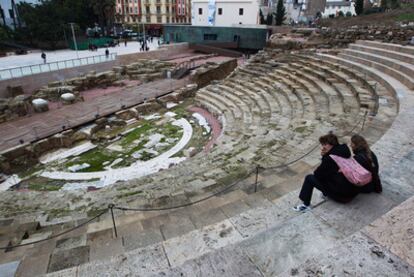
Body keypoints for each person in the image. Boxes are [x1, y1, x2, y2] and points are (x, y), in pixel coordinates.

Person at [293, 133, 359, 212]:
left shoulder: (330, 159)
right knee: (329, 175)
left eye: (324, 144)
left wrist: (325, 156)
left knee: (309, 178)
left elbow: (317, 174)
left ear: (330, 144)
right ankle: (326, 194)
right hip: (352, 190)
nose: (323, 147)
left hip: (343, 196)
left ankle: (306, 204)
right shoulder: (344, 149)